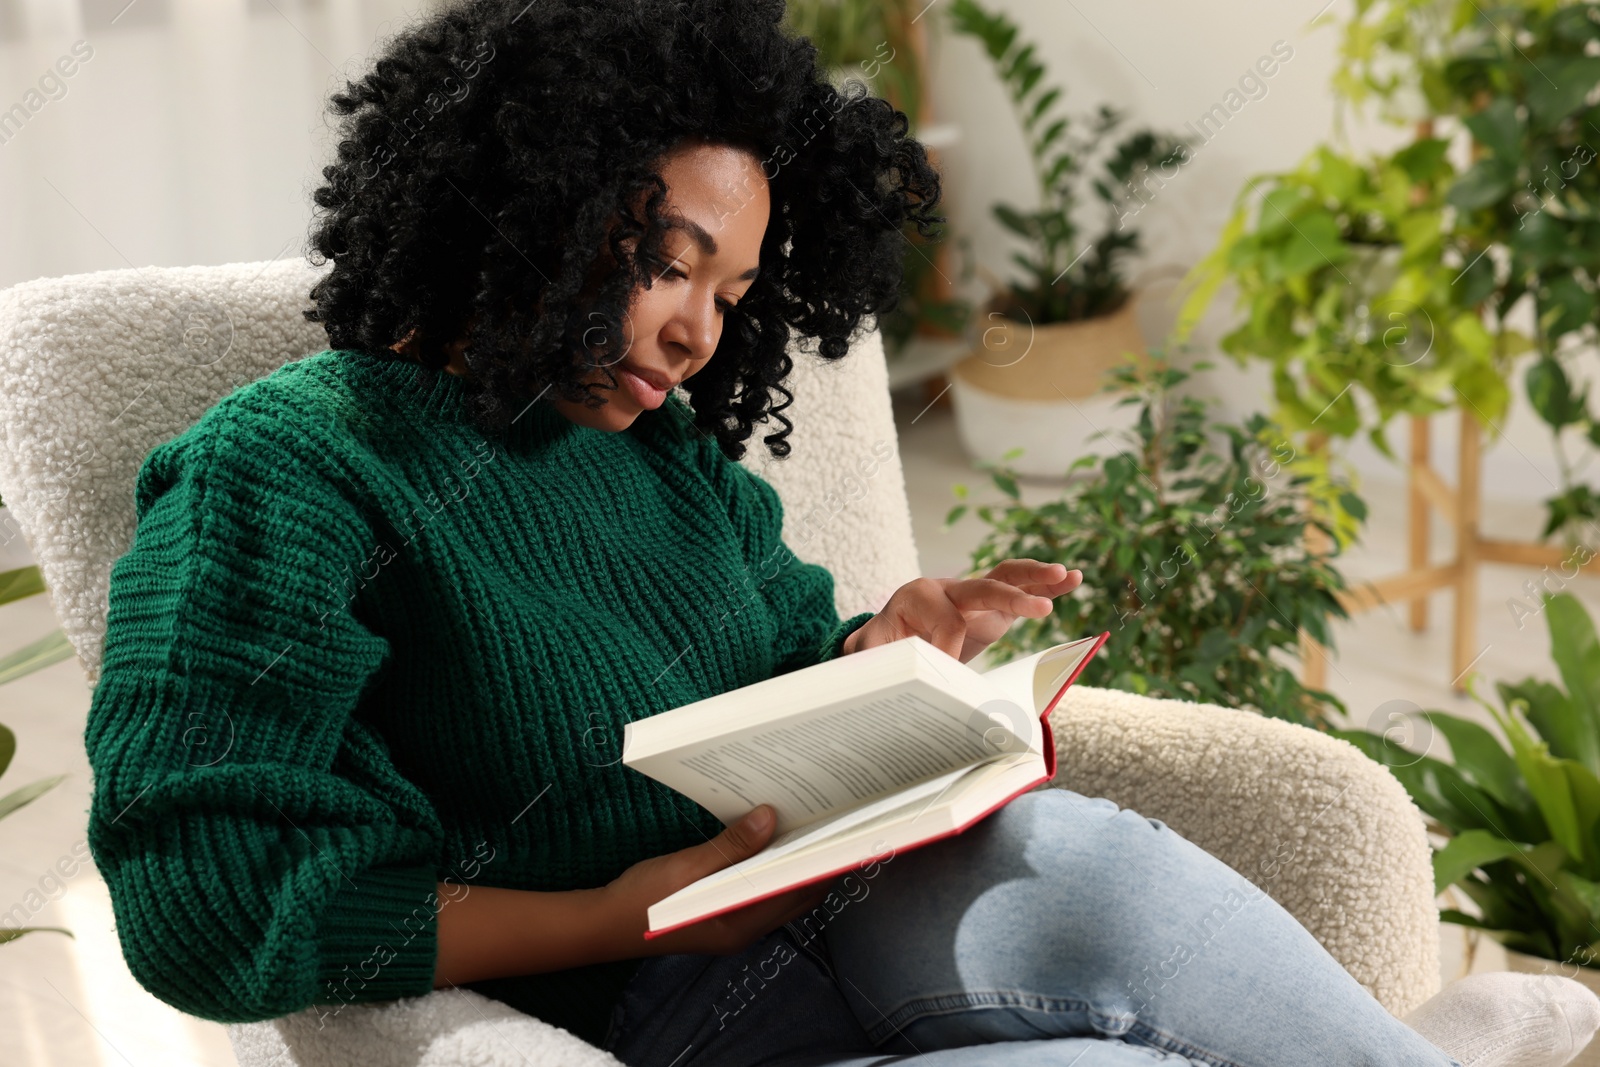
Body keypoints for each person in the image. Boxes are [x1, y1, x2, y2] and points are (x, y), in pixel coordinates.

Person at [82, 1, 1600, 1065]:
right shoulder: (278, 476)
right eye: (663, 263)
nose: (691, 334)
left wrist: (885, 657)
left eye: (731, 297)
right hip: (653, 1018)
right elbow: (207, 904)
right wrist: (620, 916)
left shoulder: (659, 447)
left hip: (843, 902)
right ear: (518, 197)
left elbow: (770, 690)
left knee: (1077, 852)